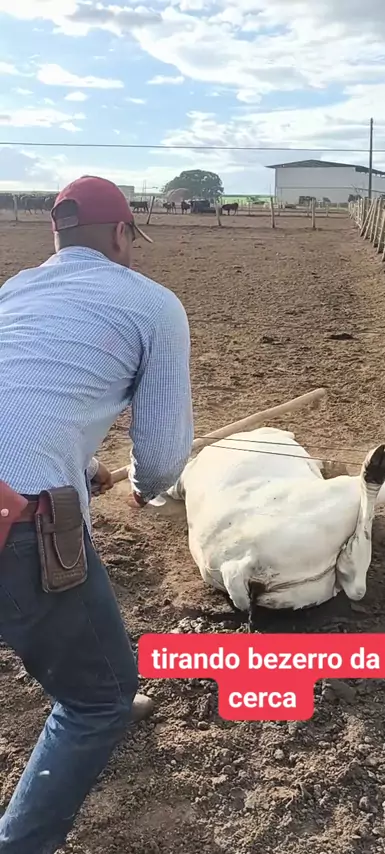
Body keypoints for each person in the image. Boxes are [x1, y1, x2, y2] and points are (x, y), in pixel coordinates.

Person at [0, 175, 194, 853]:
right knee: (98, 700)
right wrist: (145, 485)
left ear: (55, 236)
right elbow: (163, 457)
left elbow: (25, 409)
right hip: (17, 524)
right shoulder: (152, 305)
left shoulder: (14, 293)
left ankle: (98, 684)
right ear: (121, 234)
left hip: (22, 497)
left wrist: (82, 473)